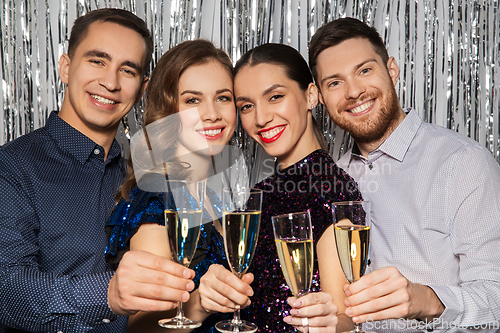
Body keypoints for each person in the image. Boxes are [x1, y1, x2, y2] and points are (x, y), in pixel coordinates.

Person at [0, 8, 195, 333]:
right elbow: (7, 289)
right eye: (97, 61)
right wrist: (108, 293)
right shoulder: (11, 167)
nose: (110, 82)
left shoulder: (146, 176)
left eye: (128, 70)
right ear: (65, 67)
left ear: (142, 87)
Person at [308, 17, 500, 332]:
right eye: (335, 82)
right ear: (319, 96)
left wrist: (426, 300)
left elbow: (496, 295)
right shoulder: (329, 178)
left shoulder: (463, 163)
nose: (354, 91)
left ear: (392, 70)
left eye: (364, 70)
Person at [195, 43, 363, 332]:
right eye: (247, 106)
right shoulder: (259, 194)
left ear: (311, 96)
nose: (261, 118)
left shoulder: (333, 190)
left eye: (275, 96)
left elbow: (346, 317)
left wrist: (329, 322)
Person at [104, 39, 248, 333]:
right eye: (193, 100)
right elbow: (142, 328)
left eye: (222, 97)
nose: (211, 113)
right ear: (169, 110)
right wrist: (200, 305)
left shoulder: (217, 194)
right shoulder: (158, 201)